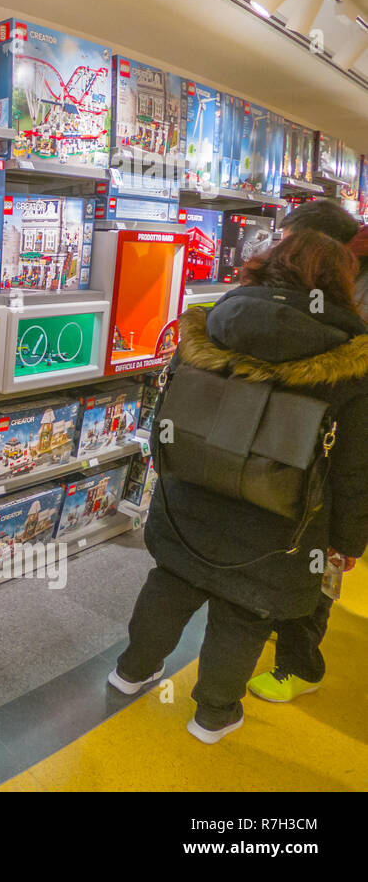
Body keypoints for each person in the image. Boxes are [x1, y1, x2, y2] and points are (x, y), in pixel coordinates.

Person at [109, 228, 368, 743]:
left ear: (266, 265)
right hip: (282, 522)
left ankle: (131, 671)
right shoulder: (350, 365)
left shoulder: (209, 328)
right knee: (246, 612)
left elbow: (168, 411)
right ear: (338, 284)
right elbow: (354, 469)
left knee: (169, 583)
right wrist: (347, 542)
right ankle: (213, 714)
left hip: (190, 497)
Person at [246, 201, 363, 703]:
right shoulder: (303, 291)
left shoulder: (345, 297)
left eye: (288, 238)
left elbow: (357, 457)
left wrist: (351, 538)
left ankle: (300, 665)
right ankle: (281, 624)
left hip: (334, 454)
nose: (279, 245)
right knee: (294, 551)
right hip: (295, 449)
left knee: (320, 566)